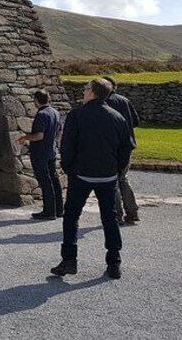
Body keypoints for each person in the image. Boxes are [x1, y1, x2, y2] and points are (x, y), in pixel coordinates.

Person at [51, 78, 134, 280]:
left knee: (71, 217)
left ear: (93, 92)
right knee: (110, 219)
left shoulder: (77, 115)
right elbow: (127, 146)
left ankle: (69, 260)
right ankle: (114, 263)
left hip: (81, 175)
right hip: (107, 176)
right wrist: (116, 169)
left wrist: (69, 168)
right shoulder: (117, 117)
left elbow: (67, 145)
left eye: (86, 89)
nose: (83, 92)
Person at [16, 89, 63, 220]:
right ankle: (59, 209)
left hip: (40, 152)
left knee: (45, 181)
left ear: (36, 100)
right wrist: (53, 142)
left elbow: (39, 136)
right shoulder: (55, 112)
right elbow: (59, 133)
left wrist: (25, 137)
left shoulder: (41, 115)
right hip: (51, 151)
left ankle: (49, 212)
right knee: (54, 180)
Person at [102, 75, 140, 225]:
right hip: (128, 146)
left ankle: (116, 215)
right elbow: (135, 122)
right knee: (123, 179)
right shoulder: (125, 100)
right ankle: (132, 212)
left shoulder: (105, 103)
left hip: (113, 148)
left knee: (113, 181)